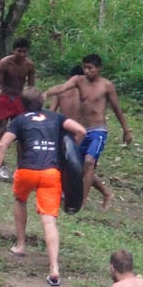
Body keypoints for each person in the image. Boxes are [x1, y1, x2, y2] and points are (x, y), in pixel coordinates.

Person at [0, 87, 86, 287]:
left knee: (20, 199)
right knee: (49, 222)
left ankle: (21, 245)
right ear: (42, 100)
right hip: (51, 173)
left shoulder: (20, 120)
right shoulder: (56, 117)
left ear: (22, 104)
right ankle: (54, 268)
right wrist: (70, 153)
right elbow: (80, 131)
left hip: (27, 171)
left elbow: (2, 145)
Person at [43, 54, 133, 209]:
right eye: (85, 67)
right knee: (74, 165)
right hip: (82, 131)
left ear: (98, 69)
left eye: (90, 68)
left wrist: (126, 130)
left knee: (89, 162)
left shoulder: (106, 86)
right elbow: (62, 87)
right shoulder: (78, 81)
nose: (86, 71)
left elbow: (117, 109)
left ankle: (81, 202)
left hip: (98, 130)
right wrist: (46, 93)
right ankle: (88, 194)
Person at [51, 65, 111, 203]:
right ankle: (64, 192)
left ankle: (101, 193)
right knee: (68, 164)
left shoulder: (85, 95)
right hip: (65, 133)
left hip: (80, 134)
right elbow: (52, 112)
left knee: (80, 166)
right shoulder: (61, 93)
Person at [0, 38, 36, 182]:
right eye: (19, 51)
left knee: (21, 134)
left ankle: (20, 167)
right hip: (4, 97)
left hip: (19, 99)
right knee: (2, 130)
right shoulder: (5, 63)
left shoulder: (29, 65)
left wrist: (31, 107)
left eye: (24, 52)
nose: (22, 55)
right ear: (13, 50)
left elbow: (31, 88)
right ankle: (1, 166)